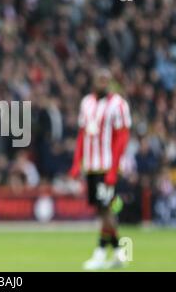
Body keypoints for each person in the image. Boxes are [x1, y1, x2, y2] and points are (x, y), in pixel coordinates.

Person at [68, 68, 131, 270]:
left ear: (110, 82)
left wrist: (114, 169)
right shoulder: (86, 102)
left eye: (106, 81)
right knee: (101, 209)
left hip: (107, 166)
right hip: (92, 167)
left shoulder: (118, 104)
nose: (103, 84)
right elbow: (82, 135)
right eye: (100, 80)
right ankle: (120, 253)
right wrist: (77, 163)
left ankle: (101, 252)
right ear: (94, 81)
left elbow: (122, 138)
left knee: (106, 209)